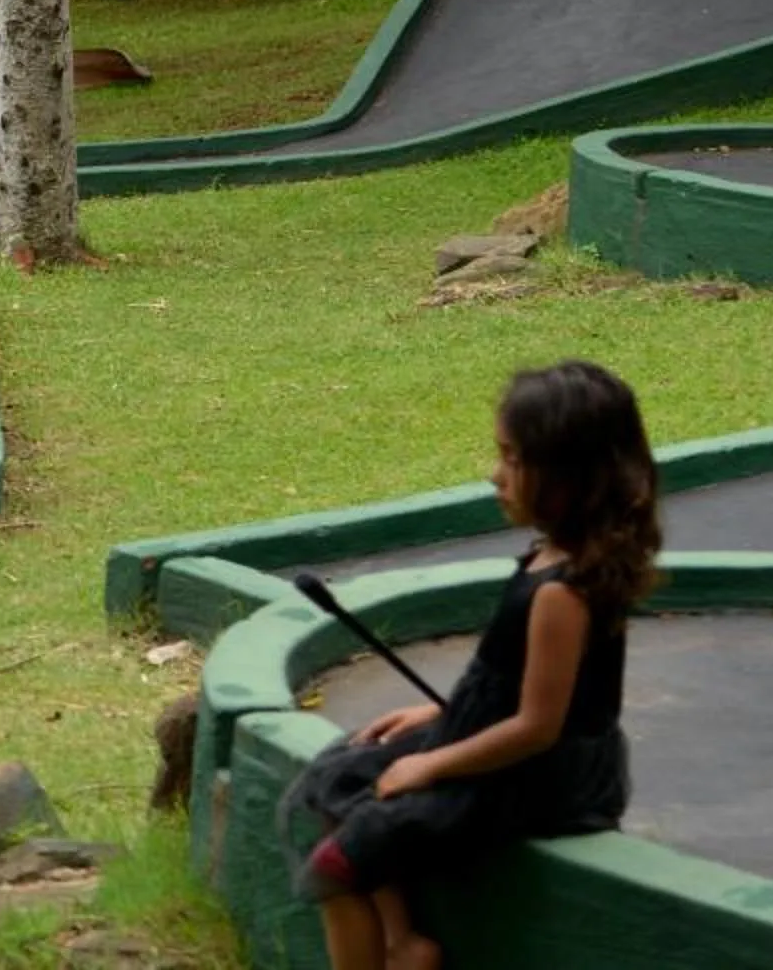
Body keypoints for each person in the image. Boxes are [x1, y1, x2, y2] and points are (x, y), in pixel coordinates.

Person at [282, 360, 661, 970]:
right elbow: (513, 684)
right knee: (341, 778)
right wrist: (438, 713)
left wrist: (432, 762)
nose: (494, 475)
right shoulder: (551, 558)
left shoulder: (563, 593)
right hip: (499, 743)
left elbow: (539, 725)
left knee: (334, 869)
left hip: (535, 780)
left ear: (568, 476)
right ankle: (404, 945)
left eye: (512, 459)